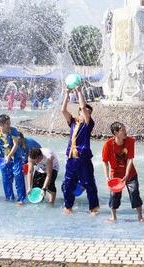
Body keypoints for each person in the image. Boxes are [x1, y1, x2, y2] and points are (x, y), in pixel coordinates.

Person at [60, 87, 99, 215]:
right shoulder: (72, 123)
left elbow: (83, 107)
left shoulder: (88, 125)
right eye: (83, 111)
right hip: (71, 158)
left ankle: (93, 208)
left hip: (83, 158)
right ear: (79, 113)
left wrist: (79, 92)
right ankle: (68, 206)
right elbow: (63, 110)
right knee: (68, 182)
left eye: (87, 112)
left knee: (89, 183)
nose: (85, 113)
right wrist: (66, 94)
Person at [101, 122, 143, 222]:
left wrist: (127, 174)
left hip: (130, 173)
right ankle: (113, 217)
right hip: (115, 174)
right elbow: (105, 162)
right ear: (116, 133)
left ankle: (140, 216)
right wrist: (107, 177)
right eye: (122, 130)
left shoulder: (130, 141)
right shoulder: (108, 144)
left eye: (125, 129)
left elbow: (130, 159)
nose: (125, 132)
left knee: (134, 192)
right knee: (114, 195)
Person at [0, 114, 26, 205]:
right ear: (1, 124)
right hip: (4, 158)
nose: (9, 125)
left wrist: (9, 156)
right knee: (6, 179)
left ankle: (21, 199)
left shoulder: (13, 130)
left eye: (9, 122)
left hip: (16, 157)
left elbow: (16, 144)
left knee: (18, 175)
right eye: (7, 123)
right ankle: (9, 198)